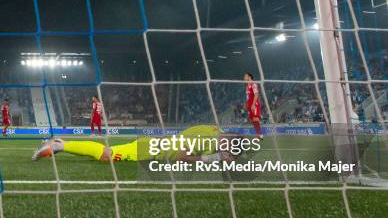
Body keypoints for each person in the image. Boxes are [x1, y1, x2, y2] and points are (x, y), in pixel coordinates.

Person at [32, 125, 241, 163]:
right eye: (228, 146)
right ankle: (59, 144)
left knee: (107, 155)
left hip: (153, 146)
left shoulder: (212, 131)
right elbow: (181, 156)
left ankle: (59, 144)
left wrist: (222, 155)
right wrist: (210, 158)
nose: (226, 149)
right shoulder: (208, 139)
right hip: (150, 150)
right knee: (107, 155)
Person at [244, 73, 263, 138]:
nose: (244, 78)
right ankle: (258, 133)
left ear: (249, 77)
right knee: (252, 119)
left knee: (255, 118)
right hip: (249, 104)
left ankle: (259, 134)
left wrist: (253, 104)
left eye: (245, 76)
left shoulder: (253, 84)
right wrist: (246, 104)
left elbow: (256, 94)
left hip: (254, 104)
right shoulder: (247, 86)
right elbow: (247, 97)